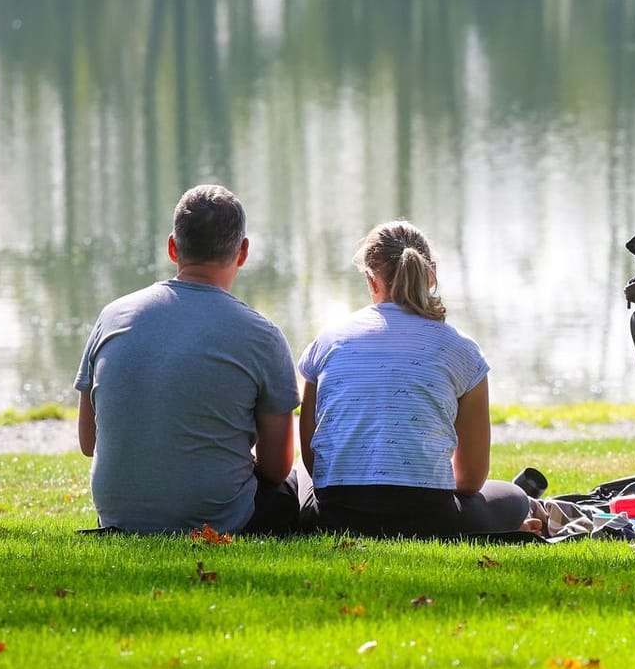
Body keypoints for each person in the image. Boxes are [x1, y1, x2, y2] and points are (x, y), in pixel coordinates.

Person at [75, 185, 303, 535]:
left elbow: (89, 443)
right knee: (295, 484)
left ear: (172, 247)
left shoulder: (112, 316)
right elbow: (275, 468)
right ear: (242, 252)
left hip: (119, 516)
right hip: (222, 520)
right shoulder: (262, 336)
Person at [297, 221, 533, 539]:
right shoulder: (462, 350)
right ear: (431, 274)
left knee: (298, 479)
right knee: (513, 497)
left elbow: (315, 464)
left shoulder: (327, 342)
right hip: (430, 518)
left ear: (370, 278)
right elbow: (471, 480)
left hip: (337, 516)